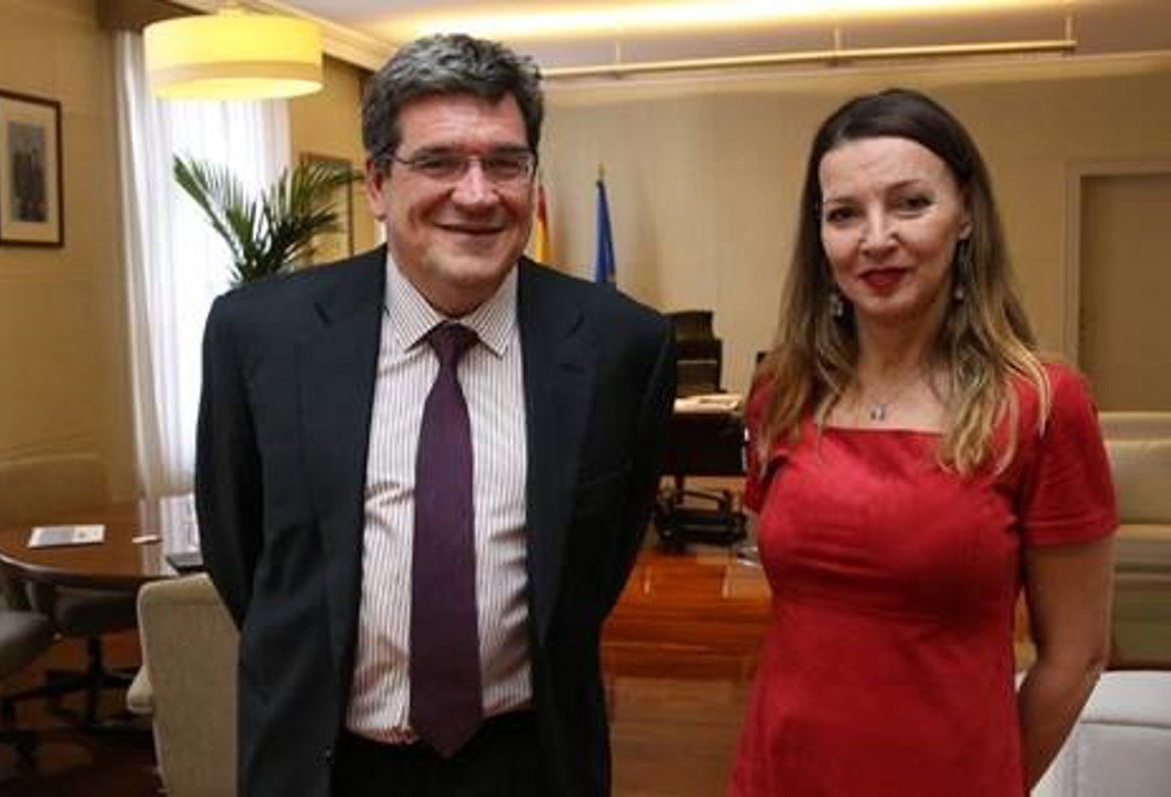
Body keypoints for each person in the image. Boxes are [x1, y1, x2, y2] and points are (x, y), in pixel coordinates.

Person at [196, 34, 675, 797]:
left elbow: (600, 562)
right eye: (440, 161)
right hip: (325, 764)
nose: (477, 194)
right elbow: (242, 552)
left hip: (531, 763)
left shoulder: (623, 346)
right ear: (377, 183)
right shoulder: (260, 335)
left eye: (505, 163)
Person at [729, 88, 1116, 796]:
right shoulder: (782, 390)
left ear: (966, 213)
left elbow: (1077, 656)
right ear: (819, 235)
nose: (876, 238)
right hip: (780, 771)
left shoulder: (1041, 405)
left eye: (910, 204)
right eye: (844, 213)